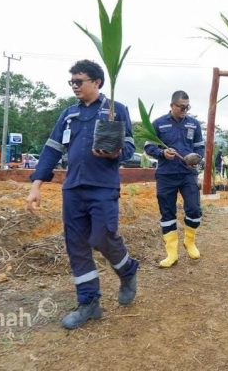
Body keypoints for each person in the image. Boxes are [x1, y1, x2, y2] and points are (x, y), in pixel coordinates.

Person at [25, 60, 139, 330]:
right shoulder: (68, 114)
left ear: (97, 82)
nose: (74, 86)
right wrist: (36, 185)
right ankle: (89, 302)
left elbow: (130, 146)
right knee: (76, 246)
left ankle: (127, 270)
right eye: (72, 82)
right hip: (73, 188)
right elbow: (52, 149)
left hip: (103, 186)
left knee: (102, 237)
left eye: (79, 81)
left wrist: (117, 152)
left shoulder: (114, 110)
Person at [144, 90, 205, 268]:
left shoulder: (194, 124)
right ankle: (171, 253)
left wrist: (197, 158)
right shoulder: (158, 124)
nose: (185, 110)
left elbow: (200, 147)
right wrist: (162, 152)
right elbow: (148, 147)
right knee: (167, 214)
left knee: (194, 209)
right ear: (172, 105)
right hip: (166, 175)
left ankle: (189, 241)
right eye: (181, 107)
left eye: (187, 107)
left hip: (188, 174)